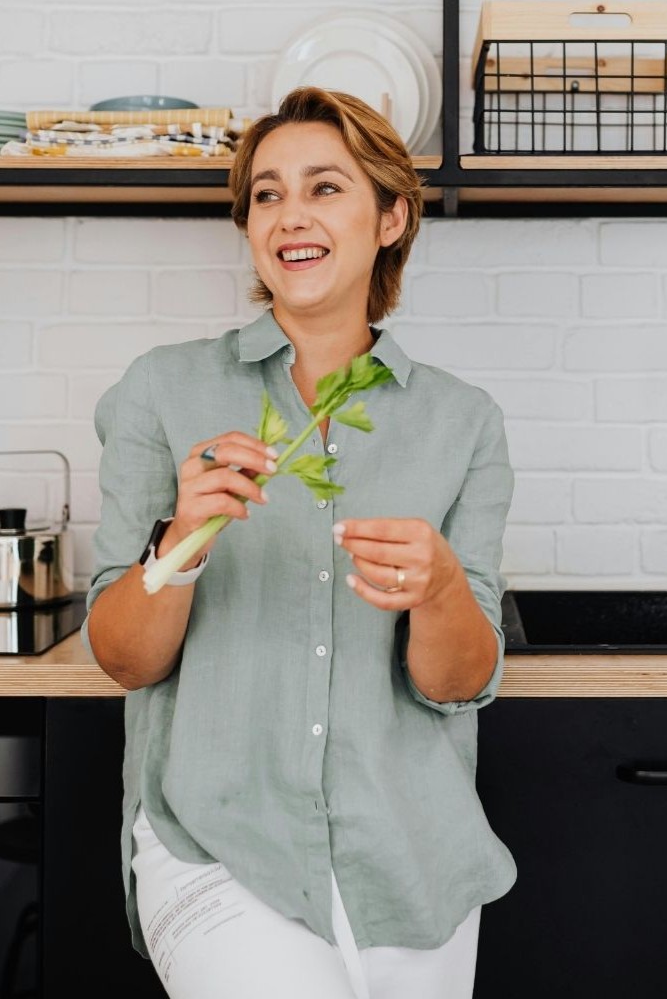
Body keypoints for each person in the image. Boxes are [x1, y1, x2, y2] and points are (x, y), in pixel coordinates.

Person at [82, 86, 516, 999]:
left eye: (325, 188)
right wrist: (183, 542)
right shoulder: (161, 393)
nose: (289, 217)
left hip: (414, 858)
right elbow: (123, 659)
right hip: (218, 844)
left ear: (391, 217)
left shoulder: (462, 422)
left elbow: (460, 682)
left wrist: (438, 591)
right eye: (266, 195)